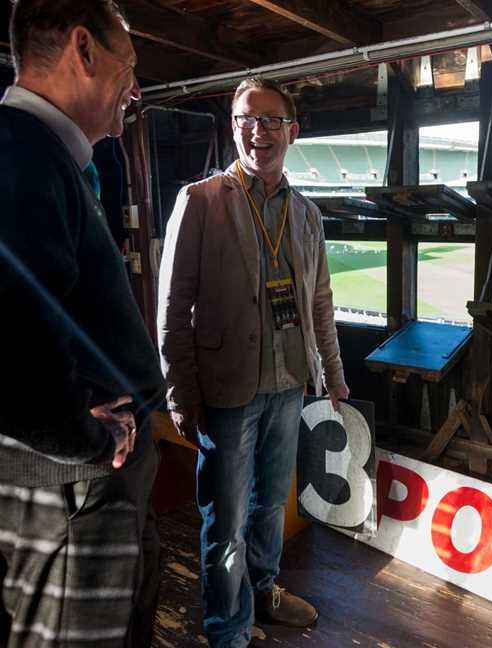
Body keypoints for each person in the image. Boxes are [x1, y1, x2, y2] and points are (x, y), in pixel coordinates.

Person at [158, 76, 349, 648]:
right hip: (226, 390)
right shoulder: (199, 200)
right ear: (234, 126)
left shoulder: (308, 214)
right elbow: (172, 308)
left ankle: (264, 591)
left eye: (268, 120)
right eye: (245, 118)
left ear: (292, 130)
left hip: (290, 384)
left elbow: (319, 301)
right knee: (226, 520)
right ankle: (228, 628)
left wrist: (333, 373)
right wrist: (180, 394)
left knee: (270, 507)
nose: (256, 131)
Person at [0, 2, 165, 647]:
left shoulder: (47, 156)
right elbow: (11, 343)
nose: (136, 87)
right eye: (131, 64)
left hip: (87, 479)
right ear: (84, 50)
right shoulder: (20, 153)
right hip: (72, 485)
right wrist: (87, 441)